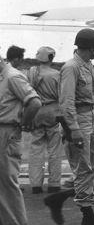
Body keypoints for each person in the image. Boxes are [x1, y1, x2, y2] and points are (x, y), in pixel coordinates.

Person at [43, 29, 94, 225]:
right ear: (88, 47)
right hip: (78, 121)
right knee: (83, 168)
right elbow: (66, 103)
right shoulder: (71, 68)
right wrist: (73, 129)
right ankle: (87, 217)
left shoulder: (88, 66)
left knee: (92, 168)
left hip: (89, 118)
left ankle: (59, 199)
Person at [0, 48, 41, 225]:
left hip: (7, 133)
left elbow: (34, 102)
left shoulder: (12, 76)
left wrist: (23, 125)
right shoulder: (4, 76)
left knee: (7, 182)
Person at [26, 47, 63, 194]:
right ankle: (54, 183)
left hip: (36, 111)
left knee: (36, 149)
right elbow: (62, 96)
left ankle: (36, 184)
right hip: (52, 111)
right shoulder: (56, 75)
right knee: (54, 149)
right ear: (51, 57)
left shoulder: (31, 73)